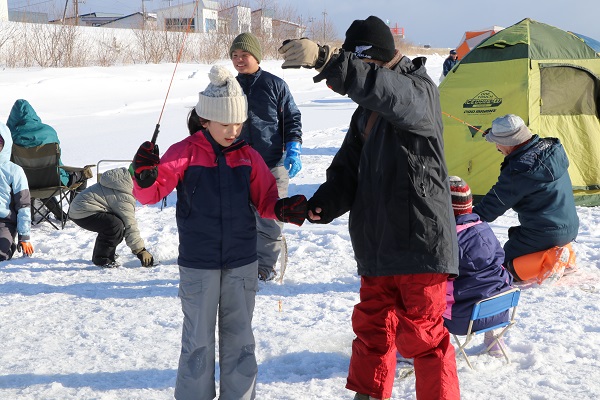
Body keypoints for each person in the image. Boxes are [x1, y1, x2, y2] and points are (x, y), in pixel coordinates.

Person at [278, 15, 460, 400]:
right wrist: (319, 206)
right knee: (372, 334)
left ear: (374, 60)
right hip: (377, 247)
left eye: (362, 66)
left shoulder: (418, 92)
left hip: (419, 246)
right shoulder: (365, 114)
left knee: (424, 340)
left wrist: (329, 60)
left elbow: (389, 92)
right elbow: (347, 172)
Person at [130, 65, 306, 400]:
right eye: (226, 123)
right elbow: (150, 194)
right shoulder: (184, 153)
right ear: (207, 120)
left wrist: (282, 208)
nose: (234, 130)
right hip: (199, 265)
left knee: (240, 339)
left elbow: (267, 198)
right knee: (197, 341)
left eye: (239, 123)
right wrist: (143, 175)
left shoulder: (248, 156)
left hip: (241, 264)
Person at [230, 32, 304, 281]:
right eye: (235, 56)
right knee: (238, 218)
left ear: (257, 57)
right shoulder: (228, 87)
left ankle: (264, 268)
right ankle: (241, 262)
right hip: (235, 166)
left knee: (270, 218)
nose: (239, 60)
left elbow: (292, 117)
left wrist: (293, 145)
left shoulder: (275, 85)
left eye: (245, 55)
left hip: (271, 164)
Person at [474, 114, 579, 285]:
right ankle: (566, 254)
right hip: (569, 227)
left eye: (496, 142)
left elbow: (491, 207)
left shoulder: (520, 170)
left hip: (545, 232)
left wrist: (465, 218)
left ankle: (551, 259)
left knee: (500, 268)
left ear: (509, 142)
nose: (497, 148)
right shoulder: (549, 149)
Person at [444, 176, 514, 357]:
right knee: (489, 282)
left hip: (462, 319)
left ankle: (415, 348)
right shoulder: (484, 228)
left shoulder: (448, 241)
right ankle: (495, 341)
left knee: (415, 299)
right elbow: (499, 258)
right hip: (500, 311)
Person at [6, 99, 92, 220]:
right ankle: (73, 213)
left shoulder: (8, 136)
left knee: (37, 177)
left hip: (22, 186)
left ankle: (54, 212)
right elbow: (58, 162)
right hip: (54, 182)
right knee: (83, 175)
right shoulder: (49, 132)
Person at [68, 166, 153, 268]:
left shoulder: (121, 181)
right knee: (114, 226)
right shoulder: (123, 193)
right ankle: (103, 259)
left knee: (116, 224)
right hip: (82, 211)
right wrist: (140, 250)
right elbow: (130, 223)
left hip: (82, 207)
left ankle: (106, 254)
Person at [0, 122, 34, 261]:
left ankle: (8, 246)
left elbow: (23, 205)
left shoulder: (14, 171)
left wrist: (24, 236)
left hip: (4, 222)